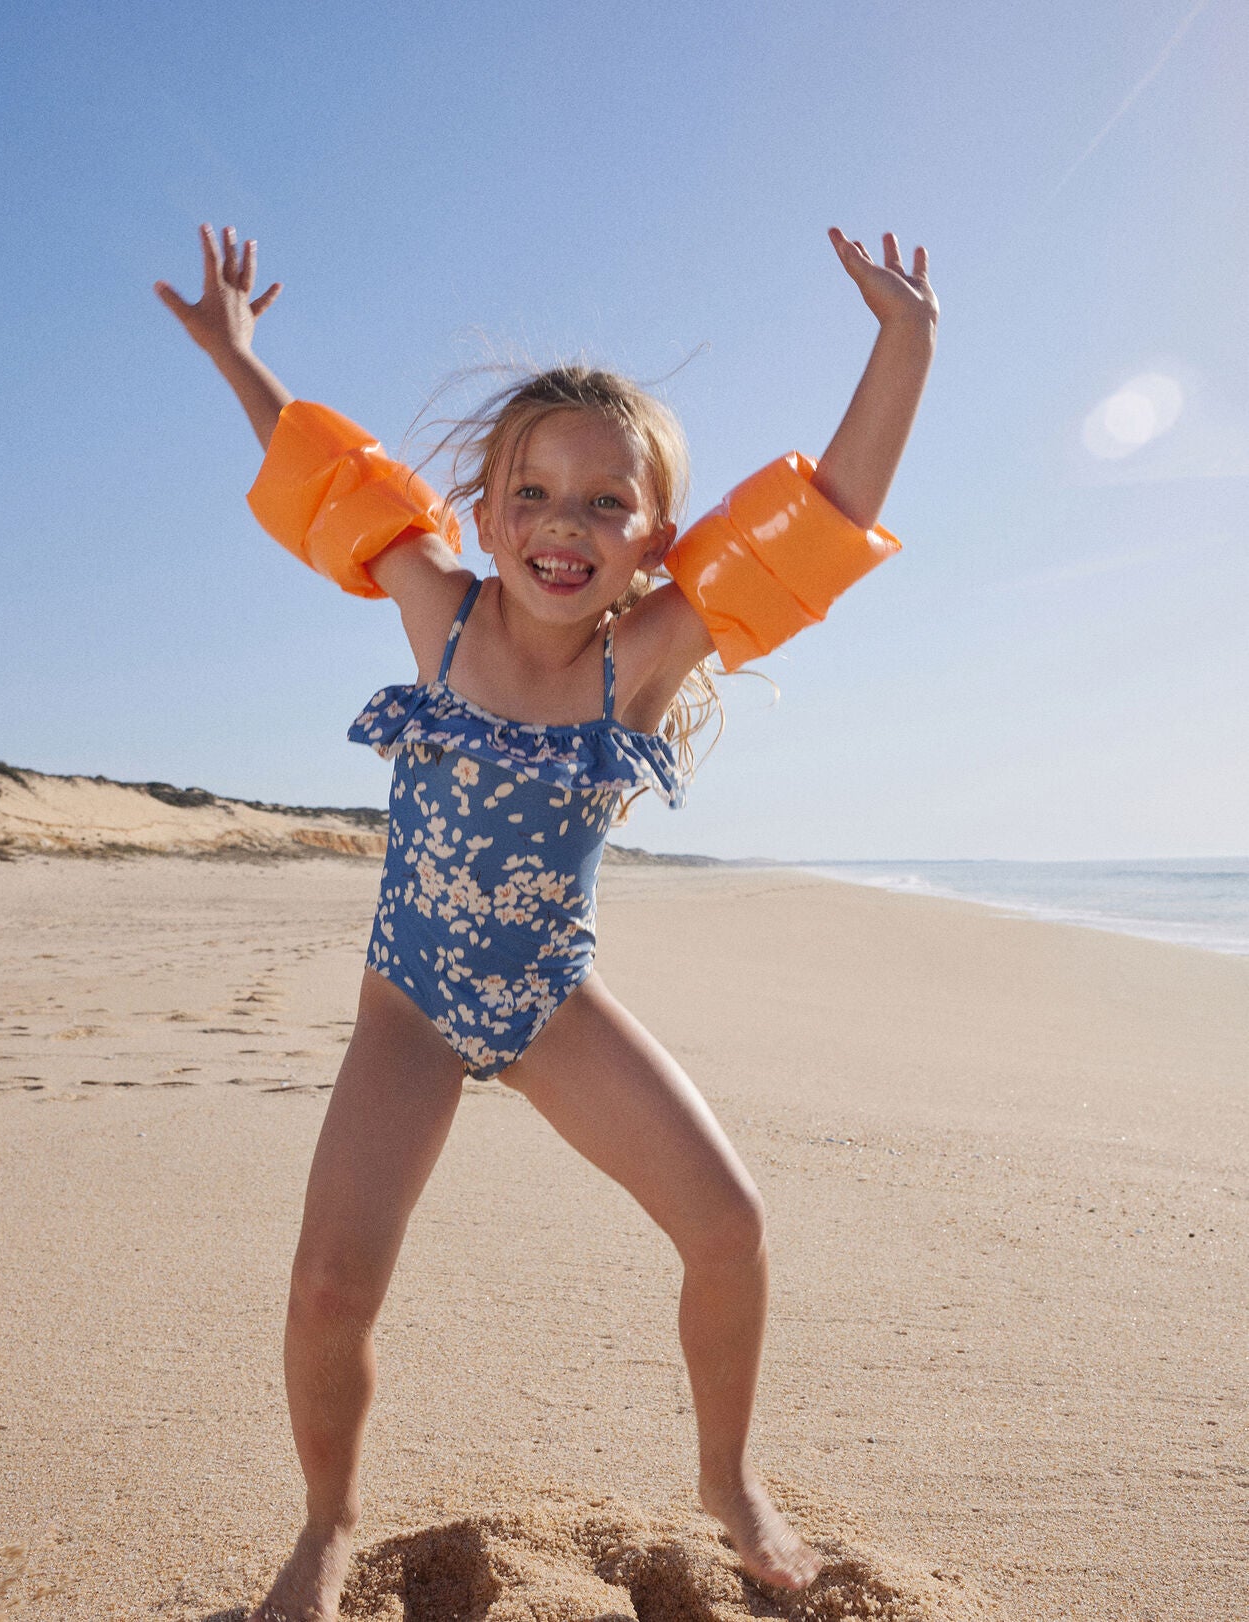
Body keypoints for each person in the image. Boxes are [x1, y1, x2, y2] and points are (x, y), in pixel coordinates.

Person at [155, 222, 936, 1622]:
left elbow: (820, 516)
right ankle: (328, 1523)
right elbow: (323, 480)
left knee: (730, 1224)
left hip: (546, 1005)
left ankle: (727, 1474)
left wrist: (905, 343)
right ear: (487, 505)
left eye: (603, 504)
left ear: (654, 540)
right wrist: (238, 357)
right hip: (406, 1005)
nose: (562, 526)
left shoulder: (643, 657)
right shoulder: (435, 613)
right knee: (329, 1283)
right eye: (534, 493)